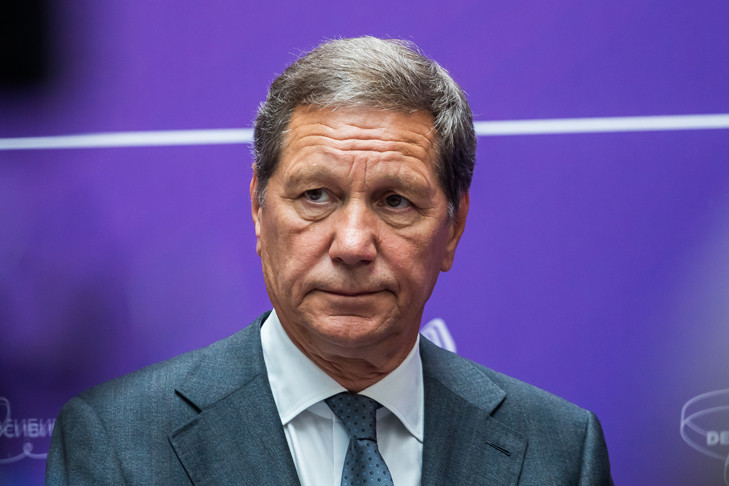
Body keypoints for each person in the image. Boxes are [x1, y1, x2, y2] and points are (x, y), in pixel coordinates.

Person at [45, 36, 613, 485]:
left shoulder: (559, 450)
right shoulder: (116, 442)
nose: (353, 245)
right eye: (316, 195)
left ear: (454, 227)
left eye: (396, 201)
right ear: (259, 208)